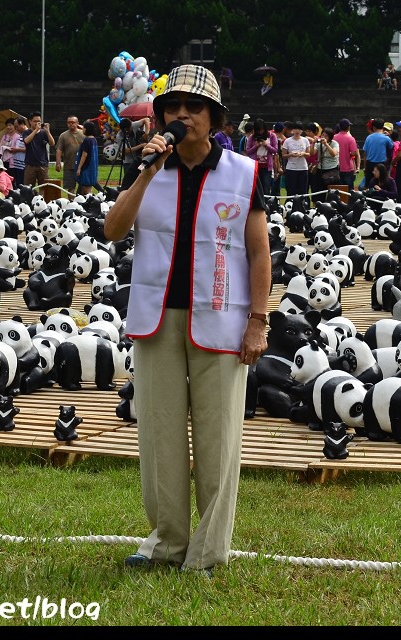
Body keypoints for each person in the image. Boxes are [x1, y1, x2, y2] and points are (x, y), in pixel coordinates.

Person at [103, 64, 270, 576]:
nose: (181, 115)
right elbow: (113, 229)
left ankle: (207, 552)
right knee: (159, 435)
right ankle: (167, 542)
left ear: (214, 117)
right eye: (171, 107)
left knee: (219, 438)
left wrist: (258, 320)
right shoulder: (153, 169)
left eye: (193, 107)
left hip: (221, 319)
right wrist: (146, 170)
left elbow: (259, 253)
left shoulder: (242, 172)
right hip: (157, 320)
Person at [245, 118, 278, 200]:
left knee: (266, 188)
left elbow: (275, 150)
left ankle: (266, 206)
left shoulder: (271, 136)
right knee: (255, 189)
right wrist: (256, 146)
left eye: (262, 130)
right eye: (258, 130)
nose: (260, 132)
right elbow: (248, 151)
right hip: (255, 166)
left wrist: (266, 145)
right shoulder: (252, 137)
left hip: (267, 167)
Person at [22, 112, 55, 189]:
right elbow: (26, 141)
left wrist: (47, 131)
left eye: (39, 121)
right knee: (28, 187)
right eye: (35, 121)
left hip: (43, 164)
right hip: (30, 164)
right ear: (30, 121)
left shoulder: (43, 132)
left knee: (44, 187)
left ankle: (42, 200)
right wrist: (35, 130)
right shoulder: (26, 132)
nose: (37, 123)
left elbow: (52, 143)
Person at [115, 117, 149, 191]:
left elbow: (146, 120)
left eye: (130, 128)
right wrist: (141, 145)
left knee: (140, 178)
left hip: (138, 159)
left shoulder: (132, 125)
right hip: (128, 161)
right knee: (129, 182)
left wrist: (146, 133)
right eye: (127, 129)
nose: (130, 130)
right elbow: (126, 151)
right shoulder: (120, 136)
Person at [282, 121, 310, 209]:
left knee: (303, 190)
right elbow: (283, 155)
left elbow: (309, 154)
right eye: (295, 129)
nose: (297, 131)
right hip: (291, 168)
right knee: (291, 190)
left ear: (302, 131)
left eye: (299, 129)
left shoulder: (305, 140)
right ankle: (290, 207)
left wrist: (303, 154)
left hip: (303, 168)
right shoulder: (287, 141)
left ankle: (303, 207)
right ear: (292, 130)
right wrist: (291, 154)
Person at [362, 118, 394, 185]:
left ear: (373, 127)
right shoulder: (386, 138)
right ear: (383, 127)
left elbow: (365, 153)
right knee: (382, 184)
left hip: (370, 164)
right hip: (382, 164)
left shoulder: (369, 137)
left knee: (369, 185)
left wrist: (365, 167)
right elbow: (392, 146)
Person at [73, 120, 100, 195]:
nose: (82, 130)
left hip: (86, 168)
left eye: (84, 128)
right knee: (87, 187)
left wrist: (79, 168)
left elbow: (84, 155)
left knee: (86, 189)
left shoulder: (87, 141)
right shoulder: (94, 140)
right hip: (92, 167)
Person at [0, 117, 26, 187]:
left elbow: (16, 148)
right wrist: (3, 146)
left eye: (10, 125)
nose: (8, 127)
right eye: (7, 125)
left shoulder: (18, 137)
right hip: (4, 161)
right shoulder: (4, 136)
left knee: (13, 179)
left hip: (13, 162)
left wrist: (9, 148)